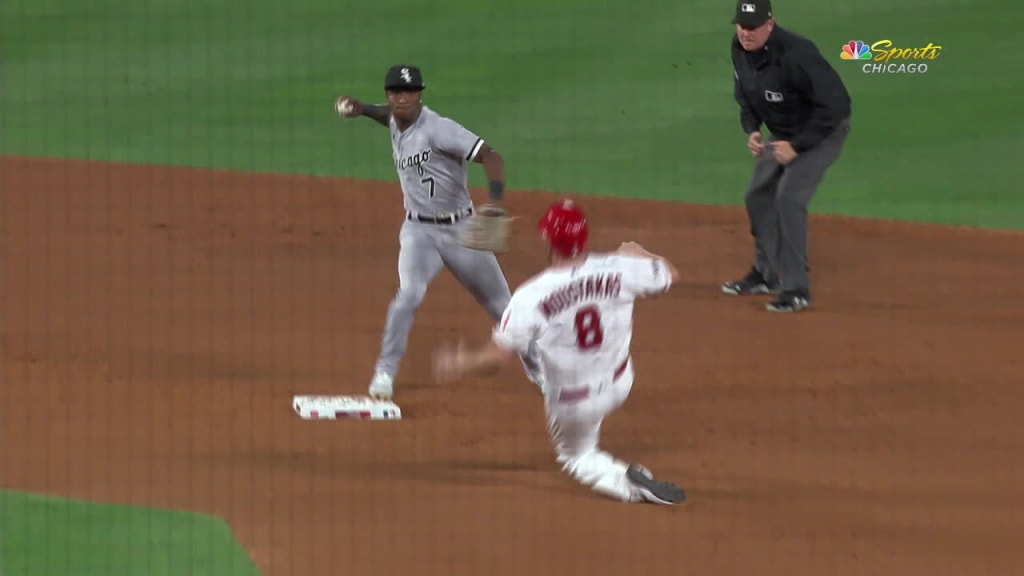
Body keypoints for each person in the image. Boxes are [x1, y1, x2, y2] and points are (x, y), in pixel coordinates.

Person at [432, 200, 687, 505]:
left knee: (576, 456)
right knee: (561, 355)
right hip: (621, 382)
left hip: (575, 401)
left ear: (548, 241)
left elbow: (497, 358)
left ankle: (628, 484)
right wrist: (637, 252)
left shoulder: (531, 295)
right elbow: (670, 272)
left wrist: (460, 363)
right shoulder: (622, 268)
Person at [335, 64, 544, 399]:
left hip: (461, 229)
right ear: (390, 95)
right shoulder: (394, 119)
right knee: (409, 295)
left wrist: (494, 201)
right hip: (419, 232)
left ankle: (539, 371)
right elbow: (385, 115)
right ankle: (384, 373)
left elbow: (492, 157)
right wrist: (360, 108)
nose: (403, 98)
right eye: (396, 92)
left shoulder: (440, 129)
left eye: (411, 92)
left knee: (502, 306)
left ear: (420, 95)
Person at [721, 0, 852, 313]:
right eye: (740, 25)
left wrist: (797, 146)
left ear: (770, 24)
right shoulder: (740, 49)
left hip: (822, 131)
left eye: (752, 27)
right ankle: (765, 275)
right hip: (782, 131)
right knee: (757, 195)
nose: (745, 33)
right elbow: (746, 96)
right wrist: (752, 130)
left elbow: (837, 106)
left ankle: (796, 289)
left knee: (789, 197)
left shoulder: (797, 53)